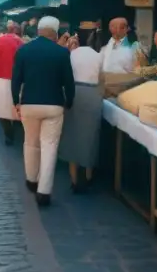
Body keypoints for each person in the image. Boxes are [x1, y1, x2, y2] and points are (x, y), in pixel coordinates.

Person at [11, 16, 76, 206]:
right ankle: (44, 191)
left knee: (30, 142)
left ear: (38, 30)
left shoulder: (24, 50)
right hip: (54, 105)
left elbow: (16, 79)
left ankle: (31, 179)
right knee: (49, 146)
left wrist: (16, 101)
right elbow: (68, 83)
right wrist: (69, 101)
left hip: (29, 103)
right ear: (55, 33)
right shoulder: (61, 53)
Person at [58, 43, 104, 192]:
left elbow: (64, 76)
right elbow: (102, 79)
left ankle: (74, 179)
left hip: (74, 92)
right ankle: (88, 176)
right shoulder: (98, 56)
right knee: (90, 136)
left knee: (72, 134)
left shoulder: (71, 55)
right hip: (93, 94)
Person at [0, 21, 23, 145]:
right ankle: (19, 132)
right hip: (19, 78)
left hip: (1, 78)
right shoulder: (22, 43)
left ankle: (8, 134)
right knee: (17, 106)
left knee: (2, 109)